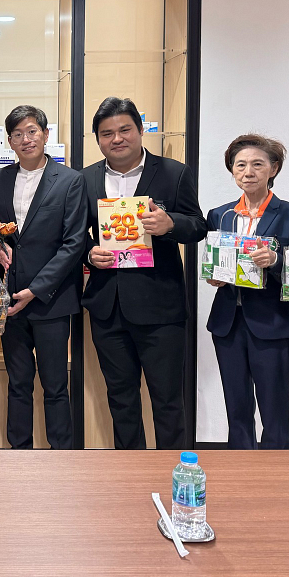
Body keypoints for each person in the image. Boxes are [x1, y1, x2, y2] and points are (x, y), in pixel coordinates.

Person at [82, 97, 207, 450]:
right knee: (120, 398)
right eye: (107, 133)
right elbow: (74, 235)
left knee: (167, 399)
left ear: (140, 130)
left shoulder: (173, 172)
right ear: (98, 139)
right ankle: (129, 469)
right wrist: (89, 252)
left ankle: (173, 468)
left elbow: (198, 226)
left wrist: (170, 224)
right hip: (108, 306)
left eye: (125, 130)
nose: (117, 139)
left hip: (161, 308)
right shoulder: (85, 178)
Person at [0, 105, 87, 450]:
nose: (26, 139)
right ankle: (19, 454)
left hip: (52, 301)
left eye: (32, 131)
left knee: (56, 387)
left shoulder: (70, 180)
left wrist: (37, 289)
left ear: (45, 134)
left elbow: (74, 243)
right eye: (17, 134)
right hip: (11, 300)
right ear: (9, 141)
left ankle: (62, 456)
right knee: (18, 384)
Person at [205, 134, 289, 449]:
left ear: (273, 169)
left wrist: (275, 260)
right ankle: (240, 471)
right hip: (227, 322)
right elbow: (217, 261)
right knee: (236, 408)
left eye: (257, 164)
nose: (248, 172)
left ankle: (277, 474)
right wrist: (216, 276)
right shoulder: (220, 215)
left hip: (272, 323)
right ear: (232, 170)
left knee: (274, 411)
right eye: (240, 165)